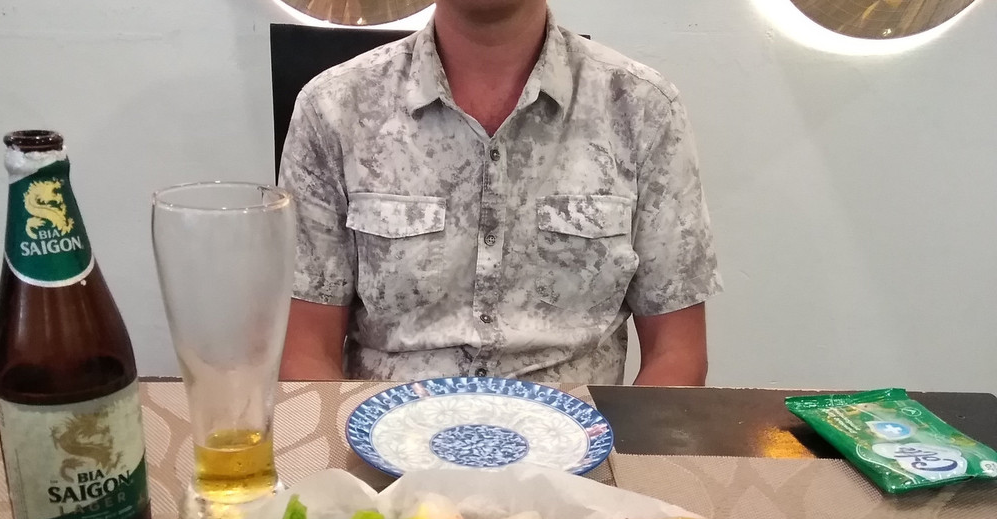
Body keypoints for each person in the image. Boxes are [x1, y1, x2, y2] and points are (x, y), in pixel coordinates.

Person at [278, 0, 721, 385]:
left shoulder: (643, 109)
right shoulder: (334, 109)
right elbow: (304, 350)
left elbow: (677, 355)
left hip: (584, 445)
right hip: (381, 443)